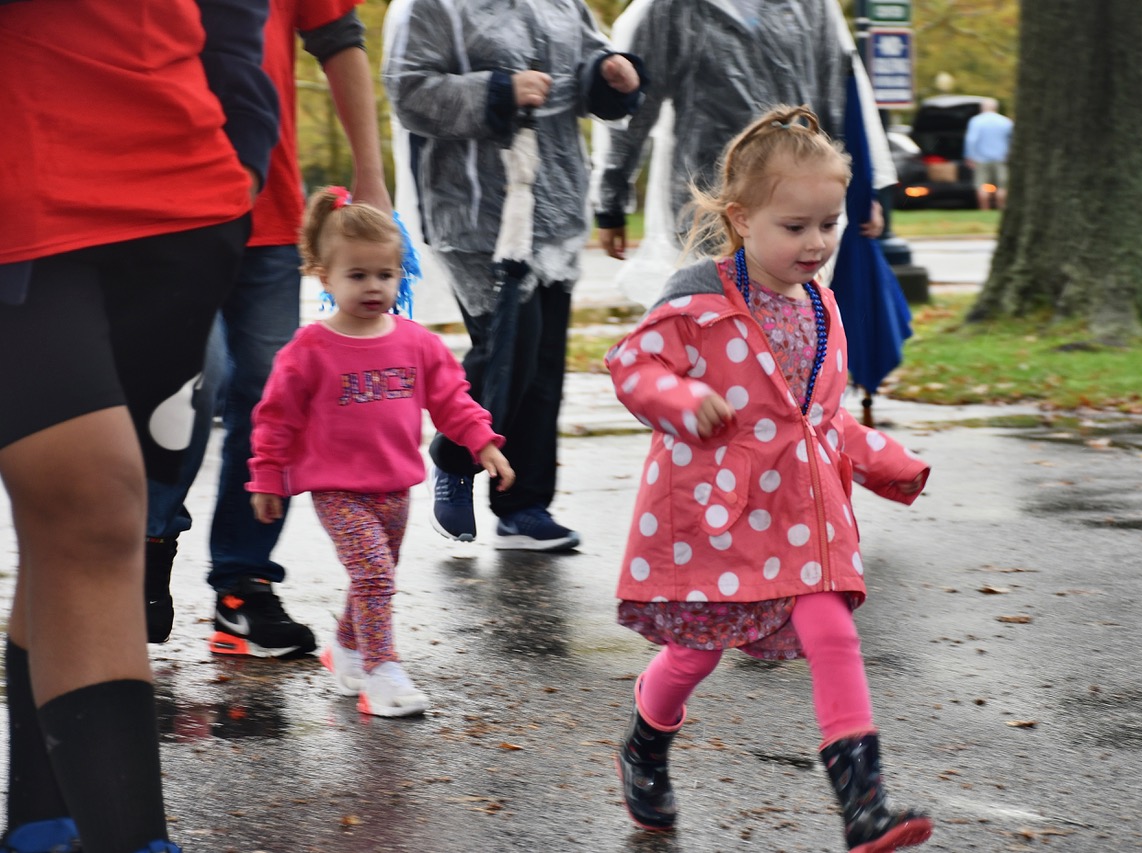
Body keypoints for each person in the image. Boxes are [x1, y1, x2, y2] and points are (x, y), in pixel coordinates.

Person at [605, 106, 934, 853]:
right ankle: (646, 744)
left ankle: (864, 806)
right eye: (795, 226)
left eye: (829, 223)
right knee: (694, 652)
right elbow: (632, 367)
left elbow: (818, 419)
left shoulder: (822, 305)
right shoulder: (699, 299)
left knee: (832, 630)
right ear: (741, 217)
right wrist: (684, 399)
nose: (815, 243)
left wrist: (885, 460)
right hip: (715, 514)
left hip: (802, 516)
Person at [0, 1, 277, 851]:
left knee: (71, 527)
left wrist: (242, 156)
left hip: (182, 197)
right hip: (24, 177)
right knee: (94, 502)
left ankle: (41, 822)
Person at [143, 0, 395, 658]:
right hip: (156, 206)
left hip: (267, 207)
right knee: (197, 377)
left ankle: (242, 584)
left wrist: (370, 176)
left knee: (272, 396)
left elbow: (339, 39)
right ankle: (145, 542)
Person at [383, 0, 645, 551]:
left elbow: (586, 71)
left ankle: (522, 509)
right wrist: (497, 91)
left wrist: (609, 78)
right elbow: (407, 91)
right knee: (511, 352)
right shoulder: (429, 7)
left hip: (554, 208)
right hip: (477, 213)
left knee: (544, 365)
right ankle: (455, 455)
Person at [246, 187, 515, 717]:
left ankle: (345, 648)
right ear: (325, 277)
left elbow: (452, 400)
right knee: (374, 575)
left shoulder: (416, 343)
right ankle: (381, 670)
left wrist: (482, 442)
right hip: (336, 489)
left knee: (374, 576)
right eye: (357, 275)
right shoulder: (309, 350)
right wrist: (267, 476)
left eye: (385, 275)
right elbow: (275, 419)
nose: (374, 287)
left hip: (395, 486)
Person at [591, 0, 895, 305]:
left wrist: (863, 189)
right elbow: (632, 106)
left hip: (797, 199)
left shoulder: (810, 6)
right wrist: (610, 200)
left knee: (788, 315)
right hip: (709, 203)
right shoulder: (673, 8)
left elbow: (838, 93)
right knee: (712, 316)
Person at [963, 97, 1013, 211]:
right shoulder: (1005, 121)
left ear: (982, 108)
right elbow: (1011, 140)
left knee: (981, 186)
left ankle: (984, 209)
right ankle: (1001, 208)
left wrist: (969, 156)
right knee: (1002, 186)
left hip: (981, 158)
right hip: (1001, 158)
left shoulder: (976, 121)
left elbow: (971, 140)